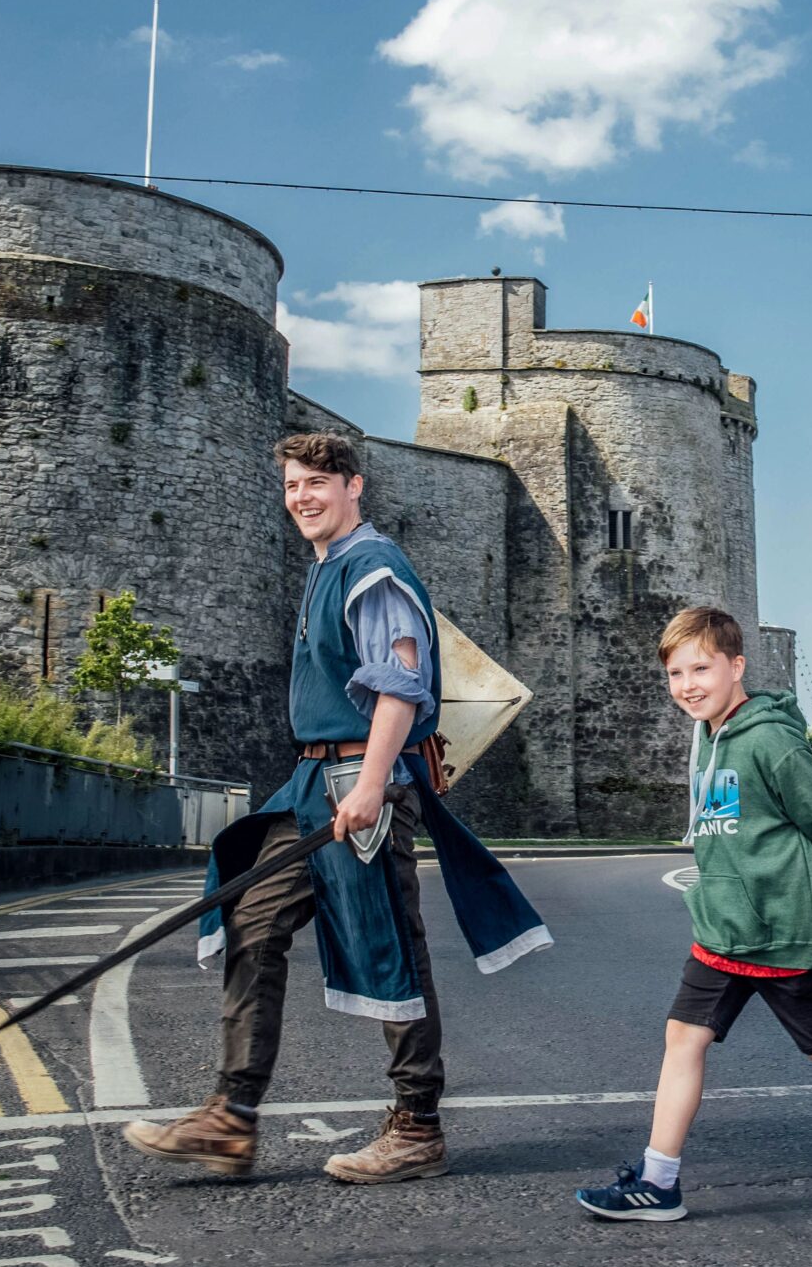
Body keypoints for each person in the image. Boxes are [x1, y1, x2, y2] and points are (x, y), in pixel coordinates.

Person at [124, 432, 551, 1184]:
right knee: (251, 921)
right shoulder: (328, 569)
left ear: (354, 486)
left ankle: (416, 1124)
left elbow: (400, 684)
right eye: (292, 485)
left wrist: (371, 781)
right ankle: (231, 1115)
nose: (302, 497)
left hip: (361, 777)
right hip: (312, 781)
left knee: (387, 943)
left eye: (317, 481)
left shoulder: (371, 566)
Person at [576, 606, 812, 1223]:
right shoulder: (706, 735)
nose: (688, 684)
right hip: (723, 925)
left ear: (736, 665)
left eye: (701, 667)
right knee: (683, 1037)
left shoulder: (769, 738)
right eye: (675, 673)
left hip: (776, 928)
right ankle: (658, 1180)